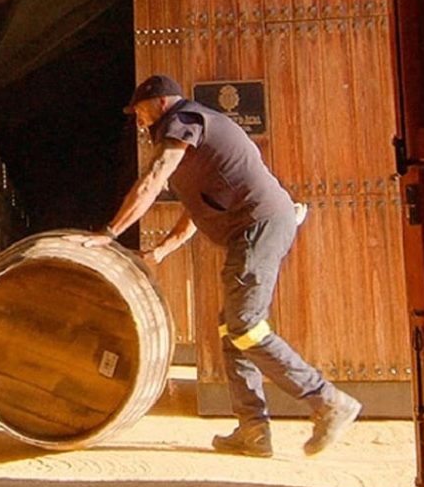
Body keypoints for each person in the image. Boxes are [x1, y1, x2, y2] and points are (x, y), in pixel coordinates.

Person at [79, 73, 361, 458]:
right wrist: (161, 250)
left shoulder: (184, 120)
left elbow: (153, 179)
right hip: (257, 228)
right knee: (233, 329)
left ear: (161, 101)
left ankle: (327, 400)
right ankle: (253, 431)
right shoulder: (195, 141)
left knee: (245, 325)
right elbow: (196, 211)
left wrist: (110, 232)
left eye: (140, 110)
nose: (138, 119)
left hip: (258, 226)